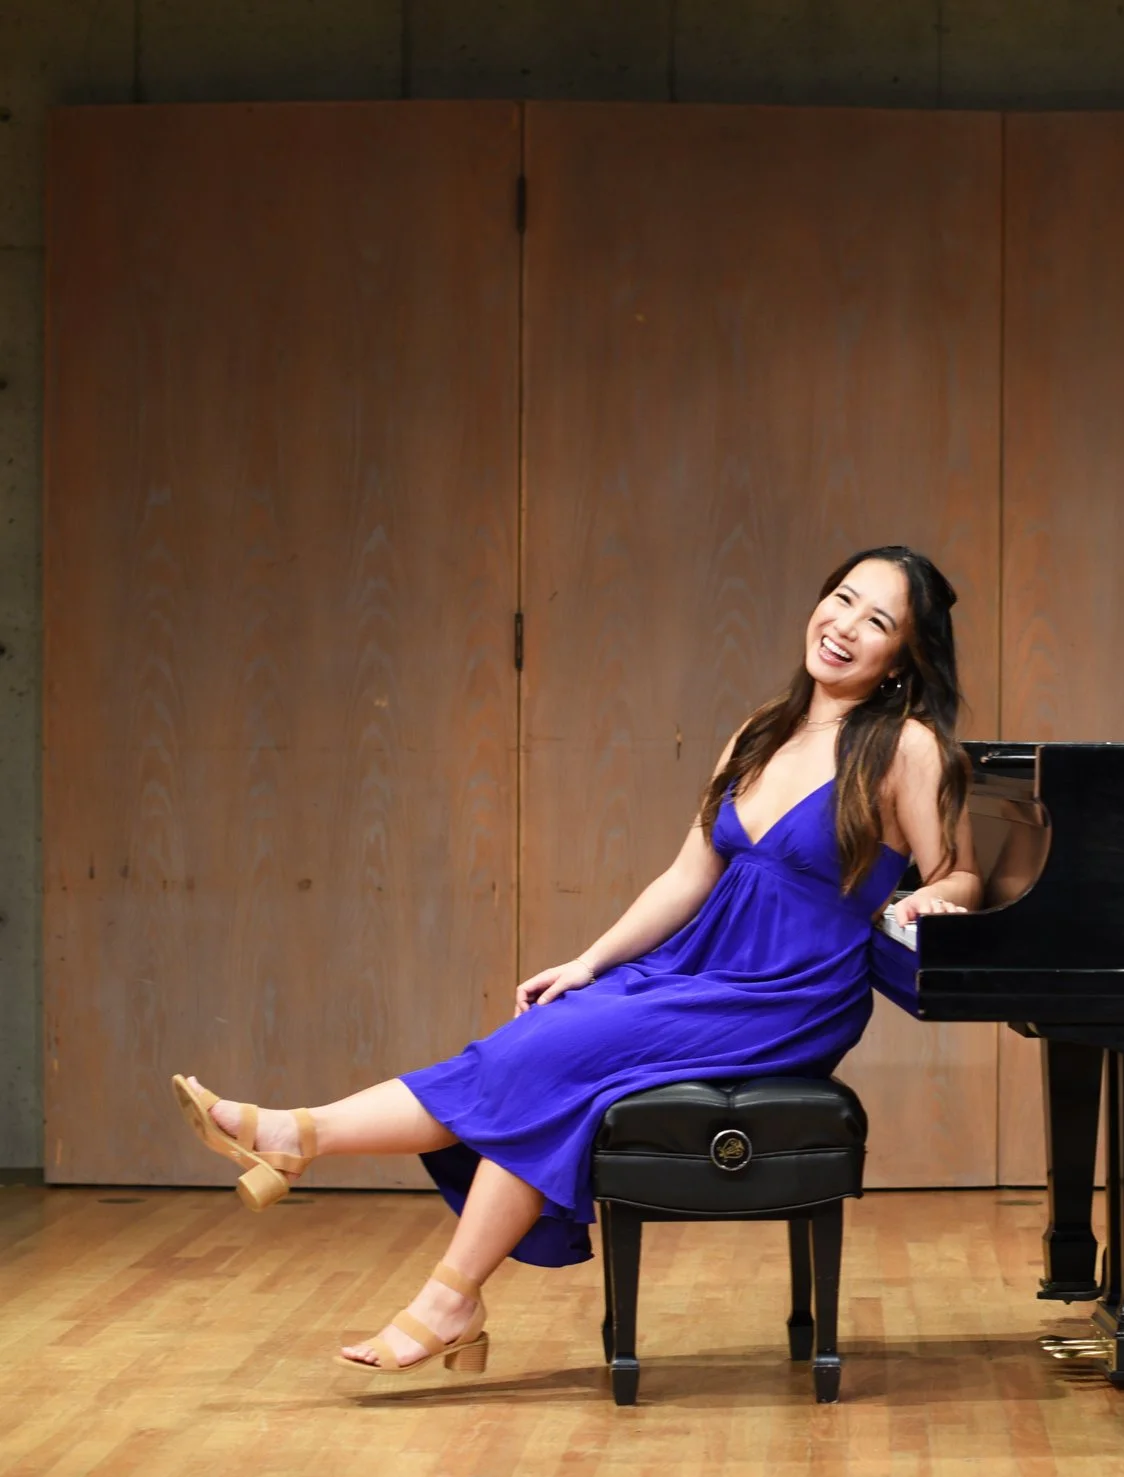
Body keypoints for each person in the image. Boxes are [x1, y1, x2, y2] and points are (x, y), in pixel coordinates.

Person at [172, 546, 982, 1373]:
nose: (844, 625)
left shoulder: (906, 748)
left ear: (901, 660)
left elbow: (962, 868)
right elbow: (688, 875)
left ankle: (301, 1137)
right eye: (841, 598)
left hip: (786, 995)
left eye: (876, 621)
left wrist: (931, 896)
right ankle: (444, 1292)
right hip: (702, 969)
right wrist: (589, 962)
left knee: (553, 1054)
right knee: (557, 1052)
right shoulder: (761, 731)